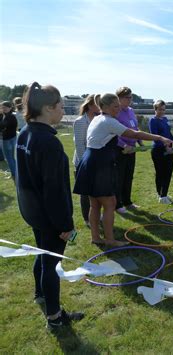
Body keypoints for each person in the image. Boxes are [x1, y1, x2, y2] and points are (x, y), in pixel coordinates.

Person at [16, 82, 84, 330]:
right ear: (47, 108)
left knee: (42, 254)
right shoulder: (48, 142)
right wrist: (65, 224)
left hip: (33, 212)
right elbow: (54, 191)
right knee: (51, 264)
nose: (63, 110)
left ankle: (40, 294)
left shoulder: (26, 132)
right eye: (60, 106)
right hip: (48, 216)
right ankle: (55, 317)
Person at [73, 93, 173, 247]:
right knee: (110, 203)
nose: (118, 109)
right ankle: (110, 239)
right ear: (105, 107)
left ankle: (96, 237)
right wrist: (160, 138)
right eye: (115, 106)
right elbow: (134, 133)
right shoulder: (108, 121)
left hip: (90, 162)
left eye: (119, 106)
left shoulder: (97, 119)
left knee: (95, 204)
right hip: (99, 165)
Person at [73, 95, 100, 226]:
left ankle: (95, 215)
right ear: (90, 105)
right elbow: (79, 145)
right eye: (98, 104)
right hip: (83, 163)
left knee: (95, 191)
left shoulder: (98, 120)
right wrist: (86, 164)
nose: (100, 107)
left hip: (95, 162)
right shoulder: (80, 122)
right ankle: (87, 219)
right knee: (85, 193)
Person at [115, 86, 141, 214]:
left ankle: (127, 201)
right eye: (127, 97)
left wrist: (139, 141)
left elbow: (135, 128)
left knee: (129, 176)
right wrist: (124, 146)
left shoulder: (131, 110)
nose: (130, 99)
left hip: (132, 149)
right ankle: (118, 204)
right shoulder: (115, 112)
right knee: (120, 177)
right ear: (119, 98)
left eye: (131, 97)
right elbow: (113, 133)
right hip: (121, 150)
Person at [149, 100, 173, 203]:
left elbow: (168, 134)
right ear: (155, 109)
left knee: (168, 173)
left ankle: (164, 194)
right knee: (160, 173)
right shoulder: (153, 120)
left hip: (169, 149)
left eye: (164, 109)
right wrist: (166, 147)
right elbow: (155, 137)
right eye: (160, 109)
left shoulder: (165, 119)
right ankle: (160, 196)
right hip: (158, 150)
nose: (162, 111)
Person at [0, 101, 18, 180]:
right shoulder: (5, 116)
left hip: (8, 139)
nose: (3, 109)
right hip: (11, 138)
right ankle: (15, 172)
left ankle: (14, 174)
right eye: (2, 107)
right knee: (11, 158)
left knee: (9, 158)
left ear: (10, 108)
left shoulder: (10, 116)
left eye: (5, 107)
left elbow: (3, 127)